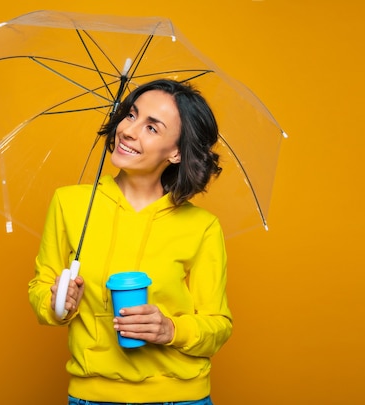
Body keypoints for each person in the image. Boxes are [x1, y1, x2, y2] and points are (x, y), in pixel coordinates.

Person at [28, 79, 232, 405]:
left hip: (180, 398)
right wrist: (59, 304)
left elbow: (218, 326)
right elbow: (41, 289)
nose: (129, 131)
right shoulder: (70, 203)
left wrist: (170, 329)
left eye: (152, 128)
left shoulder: (202, 226)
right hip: (91, 396)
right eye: (131, 115)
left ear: (177, 152)